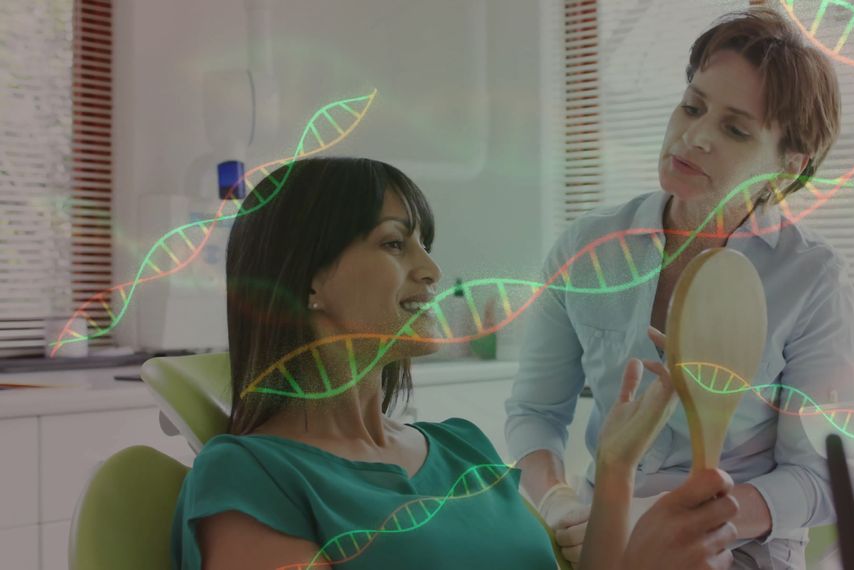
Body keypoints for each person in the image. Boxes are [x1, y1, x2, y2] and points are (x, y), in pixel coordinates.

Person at [170, 157, 740, 570]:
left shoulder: (462, 449)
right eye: (394, 244)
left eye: (425, 244)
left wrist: (615, 471)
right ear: (308, 279)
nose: (432, 270)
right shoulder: (249, 477)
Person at [505, 7, 854, 570]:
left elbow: (817, 477)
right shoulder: (586, 248)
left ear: (788, 166)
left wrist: (677, 524)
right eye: (692, 107)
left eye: (735, 129)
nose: (693, 137)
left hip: (738, 548)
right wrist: (559, 503)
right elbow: (534, 410)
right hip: (601, 534)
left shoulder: (812, 277)